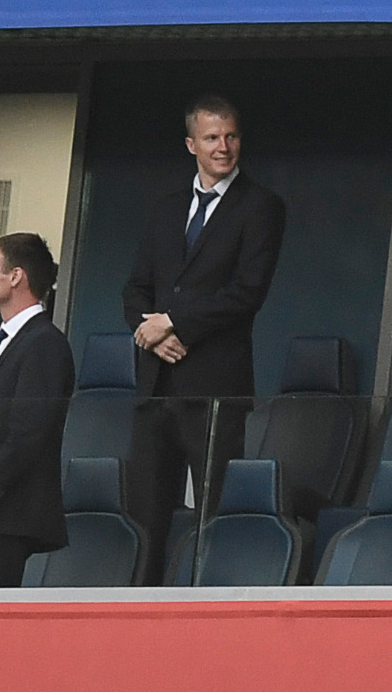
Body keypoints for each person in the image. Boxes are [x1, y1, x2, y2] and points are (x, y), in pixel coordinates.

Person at [122, 94, 286, 581]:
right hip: (157, 384)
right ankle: (143, 606)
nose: (223, 147)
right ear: (191, 144)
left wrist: (173, 322)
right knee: (146, 514)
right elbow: (136, 288)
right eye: (212, 137)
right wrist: (152, 335)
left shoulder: (261, 206)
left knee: (215, 511)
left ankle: (211, 604)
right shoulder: (167, 208)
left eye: (231, 136)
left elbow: (247, 292)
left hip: (215, 387)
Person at [0, 233, 74, 587]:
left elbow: (28, 433)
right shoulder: (10, 342)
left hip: (0, 519)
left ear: (15, 276)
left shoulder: (44, 343)